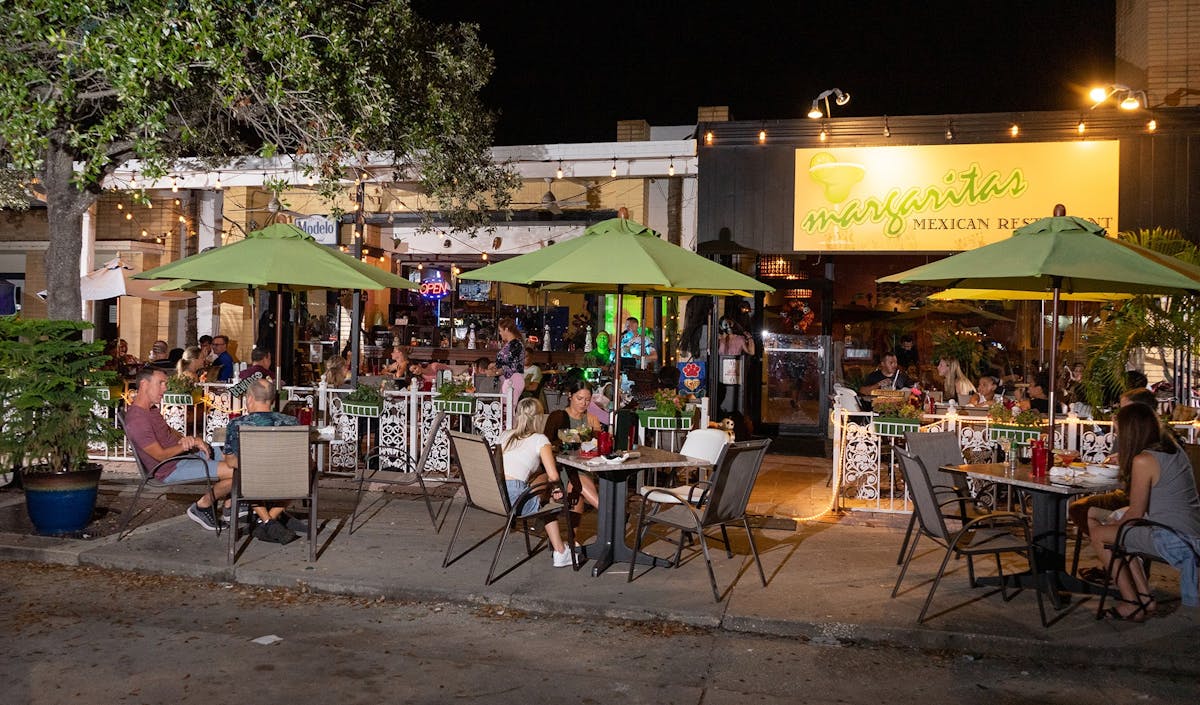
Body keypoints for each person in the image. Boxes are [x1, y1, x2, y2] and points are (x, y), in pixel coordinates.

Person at [1087, 403, 1200, 620]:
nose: (1118, 437)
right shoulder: (1172, 448)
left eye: (1119, 432)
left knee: (1100, 534)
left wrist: (1113, 527)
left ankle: (1131, 602)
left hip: (1173, 537)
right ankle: (1144, 598)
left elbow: (1136, 513)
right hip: (1189, 529)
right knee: (1096, 515)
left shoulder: (1143, 460)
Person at [123, 367, 234, 531]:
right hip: (170, 468)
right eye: (160, 383)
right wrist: (185, 444)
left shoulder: (151, 410)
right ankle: (203, 506)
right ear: (144, 384)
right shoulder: (137, 419)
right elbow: (160, 456)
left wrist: (189, 440)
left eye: (165, 384)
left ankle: (230, 508)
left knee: (233, 457)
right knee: (237, 472)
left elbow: (168, 430)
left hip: (183, 457)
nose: (165, 388)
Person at [222, 378, 309, 544]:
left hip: (253, 483)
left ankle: (267, 521)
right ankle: (271, 519)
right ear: (273, 400)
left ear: (250, 398)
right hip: (287, 484)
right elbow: (303, 461)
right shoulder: (292, 423)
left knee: (244, 475)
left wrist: (255, 464)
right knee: (305, 472)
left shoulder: (237, 424)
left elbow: (230, 462)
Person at [498, 398, 575, 568]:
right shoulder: (540, 440)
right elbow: (554, 476)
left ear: (518, 415)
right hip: (515, 500)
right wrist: (556, 489)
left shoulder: (505, 435)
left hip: (496, 494)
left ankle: (543, 526)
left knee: (540, 478)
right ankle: (561, 551)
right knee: (549, 500)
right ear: (539, 418)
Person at [493, 318, 525, 406]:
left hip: (513, 380)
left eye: (500, 330)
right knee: (505, 410)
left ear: (506, 329)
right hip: (508, 380)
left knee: (508, 411)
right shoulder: (511, 344)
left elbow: (512, 366)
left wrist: (495, 372)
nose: (500, 333)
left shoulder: (516, 344)